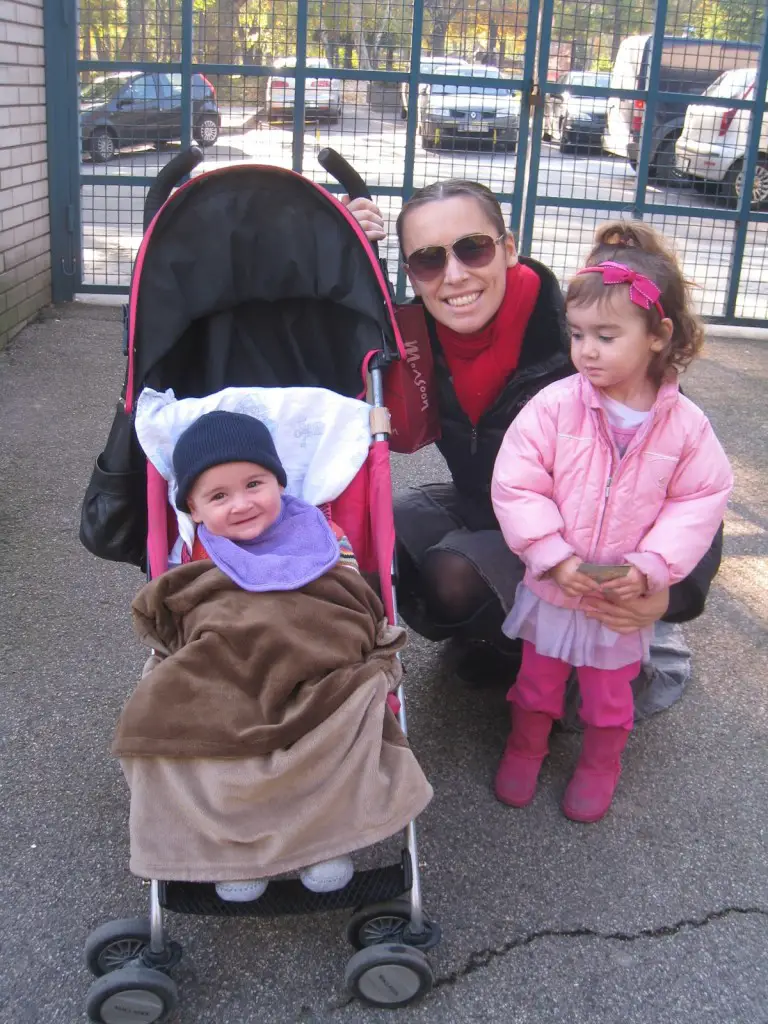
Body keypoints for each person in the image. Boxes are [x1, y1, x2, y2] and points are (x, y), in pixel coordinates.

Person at [343, 186, 725, 692]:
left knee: (451, 574)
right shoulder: (416, 337)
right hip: (489, 502)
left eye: (472, 248)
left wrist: (675, 593)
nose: (454, 275)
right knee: (368, 539)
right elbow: (333, 376)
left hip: (582, 541)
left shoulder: (583, 337)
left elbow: (685, 472)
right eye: (429, 260)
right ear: (411, 274)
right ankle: (497, 633)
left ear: (508, 247)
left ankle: (551, 662)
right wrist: (350, 262)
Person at [113, 410, 432, 901]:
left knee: (345, 715)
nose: (240, 504)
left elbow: (349, 599)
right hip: (228, 676)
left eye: (254, 484)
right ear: (194, 510)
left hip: (320, 669)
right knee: (174, 719)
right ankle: (232, 852)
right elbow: (181, 616)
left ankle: (323, 842)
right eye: (218, 496)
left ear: (279, 484)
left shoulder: (324, 539)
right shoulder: (197, 556)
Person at [490, 222, 732, 822]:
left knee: (608, 693)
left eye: (605, 335)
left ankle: (601, 761)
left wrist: (654, 567)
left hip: (621, 592)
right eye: (576, 335)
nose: (586, 351)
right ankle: (526, 744)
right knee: (538, 680)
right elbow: (518, 481)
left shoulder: (686, 427)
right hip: (557, 581)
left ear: (658, 336)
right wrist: (551, 554)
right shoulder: (555, 405)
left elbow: (700, 499)